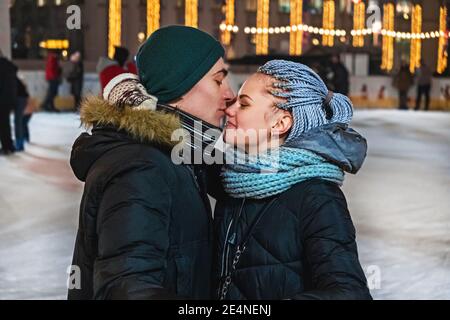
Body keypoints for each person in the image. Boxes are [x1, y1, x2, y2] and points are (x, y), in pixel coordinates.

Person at [68, 25, 234, 300]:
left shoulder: (176, 155)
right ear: (179, 87)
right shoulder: (141, 167)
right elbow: (126, 287)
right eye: (218, 80)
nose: (230, 94)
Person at [214, 60, 372, 300]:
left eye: (244, 104)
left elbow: (350, 293)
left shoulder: (317, 197)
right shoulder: (235, 180)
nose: (230, 110)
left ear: (280, 123)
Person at [0, 49, 18, 155]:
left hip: (2, 100)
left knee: (3, 124)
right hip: (9, 99)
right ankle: (8, 145)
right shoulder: (9, 66)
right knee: (5, 123)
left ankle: (7, 146)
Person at [15, 76, 30, 151]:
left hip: (21, 101)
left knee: (20, 122)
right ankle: (22, 140)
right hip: (22, 101)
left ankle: (20, 143)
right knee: (21, 123)